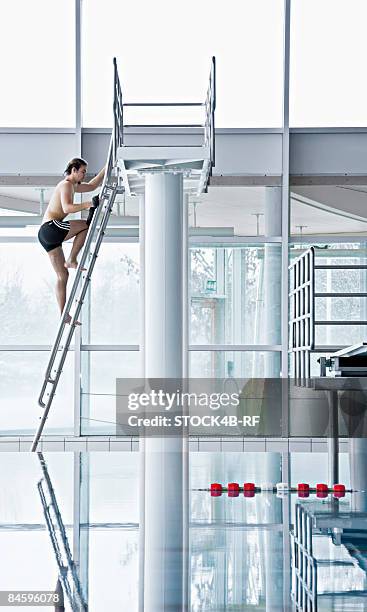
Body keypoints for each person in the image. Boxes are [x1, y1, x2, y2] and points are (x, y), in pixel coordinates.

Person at [38, 157, 105, 324]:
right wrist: (89, 204)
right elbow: (67, 207)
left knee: (63, 276)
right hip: (51, 227)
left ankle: (63, 314)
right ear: (73, 170)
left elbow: (94, 185)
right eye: (82, 171)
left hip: (46, 236)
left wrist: (108, 166)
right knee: (85, 226)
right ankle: (72, 259)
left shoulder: (74, 186)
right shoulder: (66, 184)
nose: (84, 175)